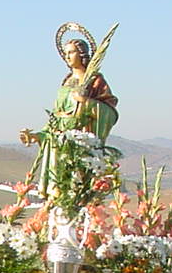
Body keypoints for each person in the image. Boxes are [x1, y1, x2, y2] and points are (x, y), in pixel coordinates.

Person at [19, 34, 118, 198]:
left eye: (71, 52)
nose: (67, 56)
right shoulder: (66, 81)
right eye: (65, 53)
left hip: (80, 142)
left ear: (82, 54)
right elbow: (56, 118)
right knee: (58, 191)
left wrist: (87, 103)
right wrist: (38, 135)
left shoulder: (95, 80)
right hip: (58, 144)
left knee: (75, 189)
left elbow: (110, 112)